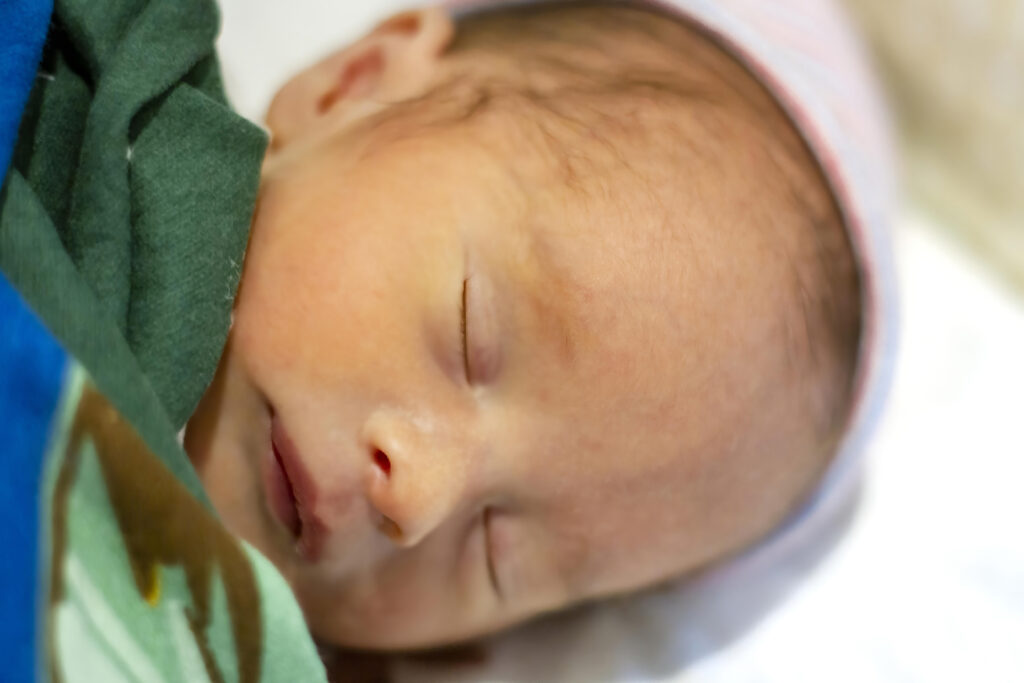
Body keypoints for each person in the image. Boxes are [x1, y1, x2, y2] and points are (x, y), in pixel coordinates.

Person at [185, 0, 896, 654]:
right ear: (351, 86)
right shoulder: (102, 91)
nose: (417, 497)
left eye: (498, 560)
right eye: (471, 334)